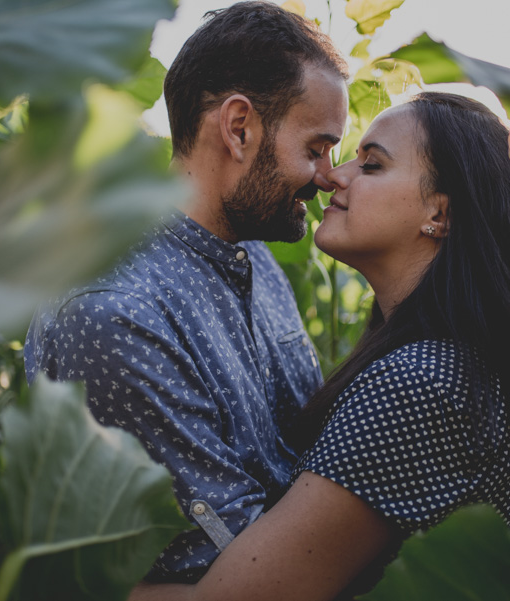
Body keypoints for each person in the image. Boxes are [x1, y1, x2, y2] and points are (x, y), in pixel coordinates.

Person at [130, 92, 510, 601]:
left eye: (372, 164)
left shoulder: (426, 383)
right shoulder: (457, 363)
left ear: (441, 211)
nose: (334, 176)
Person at [23, 1, 349, 583]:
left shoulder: (257, 257)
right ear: (239, 127)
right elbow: (232, 571)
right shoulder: (115, 313)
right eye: (317, 148)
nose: (329, 175)